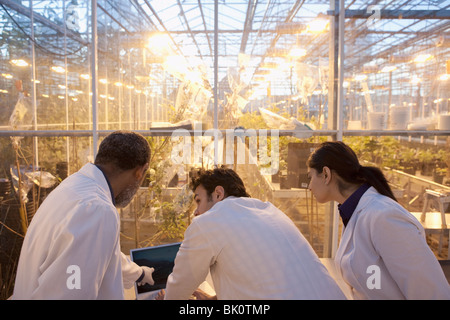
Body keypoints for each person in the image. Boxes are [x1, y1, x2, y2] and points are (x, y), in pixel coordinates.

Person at [160, 166, 346, 300]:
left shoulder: (207, 222)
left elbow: (179, 290)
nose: (196, 212)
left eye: (198, 201)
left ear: (218, 193)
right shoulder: (269, 211)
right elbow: (265, 280)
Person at [13, 131, 155, 299]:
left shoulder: (74, 187)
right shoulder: (97, 209)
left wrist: (139, 273)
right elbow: (71, 292)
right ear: (140, 171)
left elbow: (99, 254)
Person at [306, 141, 450, 300]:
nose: (309, 186)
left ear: (326, 174)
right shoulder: (356, 212)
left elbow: (431, 293)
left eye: (310, 177)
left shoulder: (384, 216)